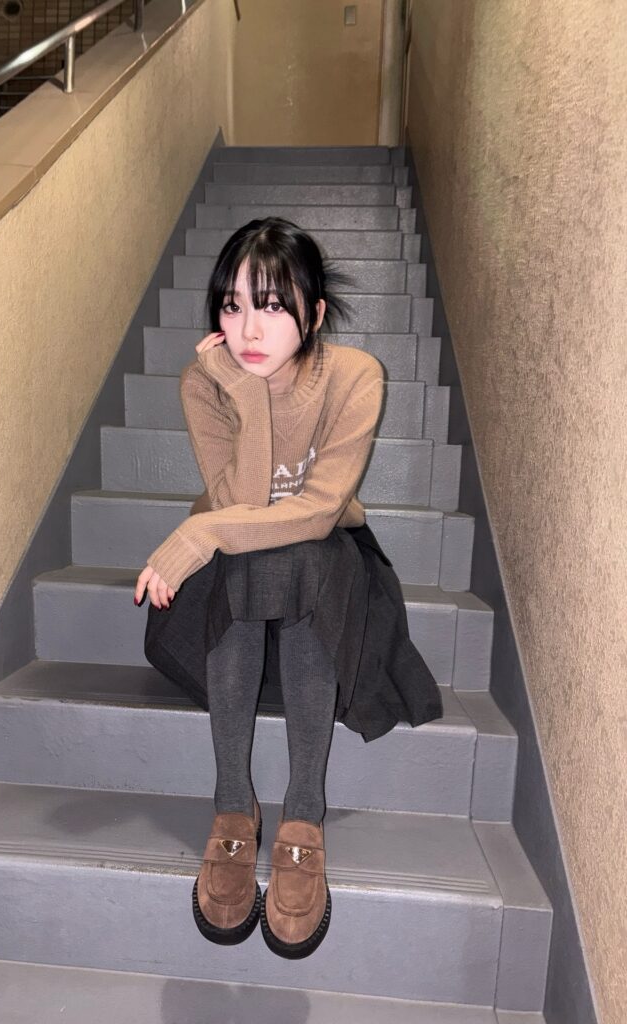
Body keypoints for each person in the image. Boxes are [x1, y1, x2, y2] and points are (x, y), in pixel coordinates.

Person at [134, 217, 444, 959]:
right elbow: (243, 503)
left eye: (273, 305)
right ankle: (233, 807)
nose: (248, 327)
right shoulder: (206, 381)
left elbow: (317, 511)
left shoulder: (354, 376)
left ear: (315, 312)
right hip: (235, 580)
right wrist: (244, 393)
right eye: (233, 304)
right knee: (254, 557)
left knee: (299, 551)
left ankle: (303, 811)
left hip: (329, 568)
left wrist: (198, 534)